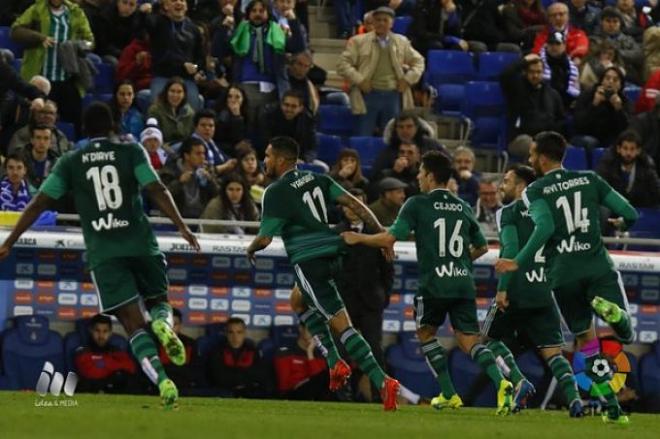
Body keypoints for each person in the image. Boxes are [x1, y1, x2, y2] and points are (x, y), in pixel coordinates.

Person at [0, 102, 201, 409]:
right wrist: (182, 226)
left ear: (83, 129)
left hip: (105, 253)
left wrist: (10, 241)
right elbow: (156, 187)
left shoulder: (70, 161)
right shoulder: (132, 151)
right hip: (140, 243)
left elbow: (40, 201)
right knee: (158, 300)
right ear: (112, 127)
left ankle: (163, 381)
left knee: (133, 326)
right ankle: (163, 323)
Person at [342, 150, 514, 414]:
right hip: (462, 284)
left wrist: (359, 239)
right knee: (470, 341)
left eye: (421, 173)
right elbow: (481, 246)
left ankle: (448, 393)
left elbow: (390, 238)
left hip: (434, 283)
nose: (419, 178)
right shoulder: (463, 206)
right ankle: (501, 382)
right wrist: (460, 263)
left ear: (431, 177)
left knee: (425, 333)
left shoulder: (417, 204)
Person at [245, 136, 401, 411]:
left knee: (342, 325)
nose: (264, 161)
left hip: (308, 260)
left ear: (281, 160)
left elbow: (266, 238)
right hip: (332, 252)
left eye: (268, 156)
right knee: (297, 300)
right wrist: (381, 233)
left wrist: (250, 249)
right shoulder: (318, 179)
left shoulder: (275, 191)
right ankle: (334, 362)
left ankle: (382, 381)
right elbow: (356, 204)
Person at [495, 131, 639, 424]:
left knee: (587, 344)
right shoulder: (590, 179)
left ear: (543, 158)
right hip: (596, 266)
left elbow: (545, 229)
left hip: (563, 276)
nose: (530, 159)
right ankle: (617, 317)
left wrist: (517, 261)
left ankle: (612, 407)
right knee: (625, 334)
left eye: (533, 154)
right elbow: (630, 212)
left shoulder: (534, 191)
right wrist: (622, 223)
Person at [485, 164, 583, 416]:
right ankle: (574, 400)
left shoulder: (509, 212)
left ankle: (519, 381)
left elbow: (510, 249)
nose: (501, 186)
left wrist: (502, 289)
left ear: (521, 187)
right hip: (544, 292)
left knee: (488, 339)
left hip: (516, 290)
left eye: (506, 181)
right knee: (553, 353)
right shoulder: (550, 214)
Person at [335, 187, 393, 401]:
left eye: (356, 204)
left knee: (374, 350)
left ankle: (381, 397)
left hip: (370, 302)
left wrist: (383, 296)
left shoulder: (377, 234)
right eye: (348, 204)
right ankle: (341, 398)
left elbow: (387, 269)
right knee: (340, 352)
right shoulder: (335, 233)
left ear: (365, 207)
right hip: (343, 304)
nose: (352, 209)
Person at [337, 6, 425, 136]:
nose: (381, 23)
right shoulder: (359, 41)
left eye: (385, 20)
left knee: (391, 137)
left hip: (393, 95)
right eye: (378, 20)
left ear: (392, 23)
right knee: (362, 135)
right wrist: (360, 80)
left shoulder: (402, 42)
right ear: (373, 22)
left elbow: (419, 62)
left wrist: (407, 80)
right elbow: (342, 64)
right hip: (367, 95)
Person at [11, 0, 94, 134]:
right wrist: (39, 38)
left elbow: (90, 41)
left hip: (67, 78)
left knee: (76, 123)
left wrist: (76, 46)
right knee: (34, 124)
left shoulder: (76, 12)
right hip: (41, 80)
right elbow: (16, 31)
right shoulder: (37, 9)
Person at [144, 0, 205, 110]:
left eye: (182, 0)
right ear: (166, 5)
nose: (178, 3)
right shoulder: (157, 23)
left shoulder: (193, 29)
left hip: (186, 78)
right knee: (157, 111)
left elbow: (200, 57)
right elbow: (145, 24)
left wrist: (196, 68)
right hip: (162, 76)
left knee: (192, 113)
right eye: (173, 0)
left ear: (186, 6)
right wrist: (149, 10)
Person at [500, 53, 565, 143]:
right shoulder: (517, 88)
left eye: (538, 72)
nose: (535, 75)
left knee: (566, 150)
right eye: (531, 72)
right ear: (525, 72)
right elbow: (505, 75)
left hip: (546, 139)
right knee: (535, 147)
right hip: (520, 138)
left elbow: (561, 119)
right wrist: (525, 61)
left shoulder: (552, 94)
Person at [74, 314, 139, 394]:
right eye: (97, 331)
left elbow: (131, 368)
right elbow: (91, 374)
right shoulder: (83, 352)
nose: (101, 336)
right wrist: (115, 369)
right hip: (92, 392)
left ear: (110, 332)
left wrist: (105, 364)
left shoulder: (116, 350)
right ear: (91, 330)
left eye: (105, 331)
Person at [207, 317, 271, 398]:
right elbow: (219, 377)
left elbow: (259, 375)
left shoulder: (253, 351)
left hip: (248, 390)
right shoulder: (216, 351)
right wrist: (243, 375)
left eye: (239, 332)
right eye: (231, 332)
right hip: (224, 391)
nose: (235, 336)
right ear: (226, 333)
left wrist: (236, 377)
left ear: (244, 333)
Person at [158, 137, 220, 219]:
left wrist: (210, 181)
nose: (202, 157)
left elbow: (219, 196)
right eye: (198, 154)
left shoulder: (208, 169)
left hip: (201, 219)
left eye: (203, 153)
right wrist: (179, 183)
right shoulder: (169, 171)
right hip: (175, 219)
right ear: (186, 156)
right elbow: (161, 197)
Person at [596, 130, 660, 208]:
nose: (628, 153)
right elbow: (600, 190)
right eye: (625, 148)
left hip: (638, 211)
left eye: (632, 149)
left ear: (638, 151)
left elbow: (657, 193)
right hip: (613, 210)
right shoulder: (607, 164)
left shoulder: (646, 167)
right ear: (618, 149)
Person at [572, 66, 630, 150]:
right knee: (591, 142)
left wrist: (619, 110)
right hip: (585, 135)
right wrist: (594, 104)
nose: (610, 82)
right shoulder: (588, 95)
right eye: (607, 78)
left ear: (621, 85)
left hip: (609, 138)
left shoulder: (623, 101)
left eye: (615, 80)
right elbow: (579, 125)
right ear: (601, 81)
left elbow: (627, 130)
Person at [274, 324, 330, 400]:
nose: (314, 334)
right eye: (310, 329)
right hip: (293, 395)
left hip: (317, 395)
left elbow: (320, 380)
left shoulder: (321, 355)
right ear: (301, 329)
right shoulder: (286, 353)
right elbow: (284, 386)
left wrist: (310, 353)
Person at [261, 90, 319, 164]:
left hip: (299, 160)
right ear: (281, 104)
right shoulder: (269, 116)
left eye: (293, 106)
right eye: (286, 105)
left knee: (323, 167)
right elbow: (264, 142)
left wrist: (305, 160)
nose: (289, 109)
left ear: (301, 108)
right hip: (273, 158)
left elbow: (312, 147)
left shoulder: (308, 120)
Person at [592, 7, 643, 84]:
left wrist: (617, 52)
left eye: (615, 21)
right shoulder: (594, 40)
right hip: (602, 78)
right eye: (608, 21)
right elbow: (594, 63)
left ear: (620, 24)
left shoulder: (628, 39)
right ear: (602, 22)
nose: (611, 25)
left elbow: (639, 56)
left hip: (629, 77)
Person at [147, 77, 195, 146]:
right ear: (166, 93)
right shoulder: (155, 110)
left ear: (184, 95)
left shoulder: (190, 113)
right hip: (163, 149)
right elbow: (154, 138)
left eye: (179, 92)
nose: (175, 95)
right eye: (172, 91)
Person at [539, 31, 580, 110]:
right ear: (546, 45)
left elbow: (576, 90)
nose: (554, 47)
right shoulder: (538, 62)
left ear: (564, 46)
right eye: (551, 43)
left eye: (557, 44)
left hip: (565, 106)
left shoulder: (572, 68)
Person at [191, 109, 238, 177]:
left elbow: (225, 159)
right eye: (203, 125)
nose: (207, 128)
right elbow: (202, 173)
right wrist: (225, 167)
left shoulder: (211, 142)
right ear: (195, 127)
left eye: (211, 126)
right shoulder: (193, 145)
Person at [20, 125, 60, 189]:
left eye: (46, 138)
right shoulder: (19, 160)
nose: (42, 142)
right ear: (32, 140)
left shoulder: (57, 163)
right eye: (38, 138)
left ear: (50, 142)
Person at [214, 85, 250, 157]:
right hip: (222, 149)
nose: (233, 100)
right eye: (229, 96)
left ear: (243, 99)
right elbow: (220, 137)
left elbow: (243, 139)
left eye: (237, 97)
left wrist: (237, 117)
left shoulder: (247, 114)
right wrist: (236, 117)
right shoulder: (221, 114)